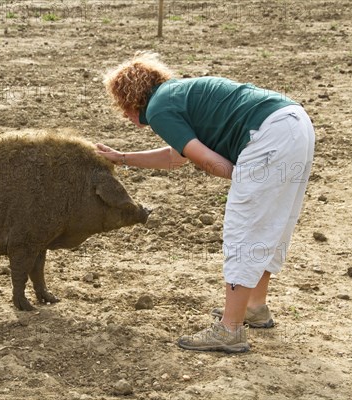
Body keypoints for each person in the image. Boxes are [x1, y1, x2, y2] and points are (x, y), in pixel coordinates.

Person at [96, 52, 315, 353]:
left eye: (120, 104)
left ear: (130, 98)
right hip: (295, 123)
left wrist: (245, 181)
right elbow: (176, 157)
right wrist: (121, 158)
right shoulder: (176, 95)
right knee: (272, 220)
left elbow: (207, 161)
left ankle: (230, 330)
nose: (121, 113)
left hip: (268, 136)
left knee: (245, 227)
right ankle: (254, 307)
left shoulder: (159, 108)